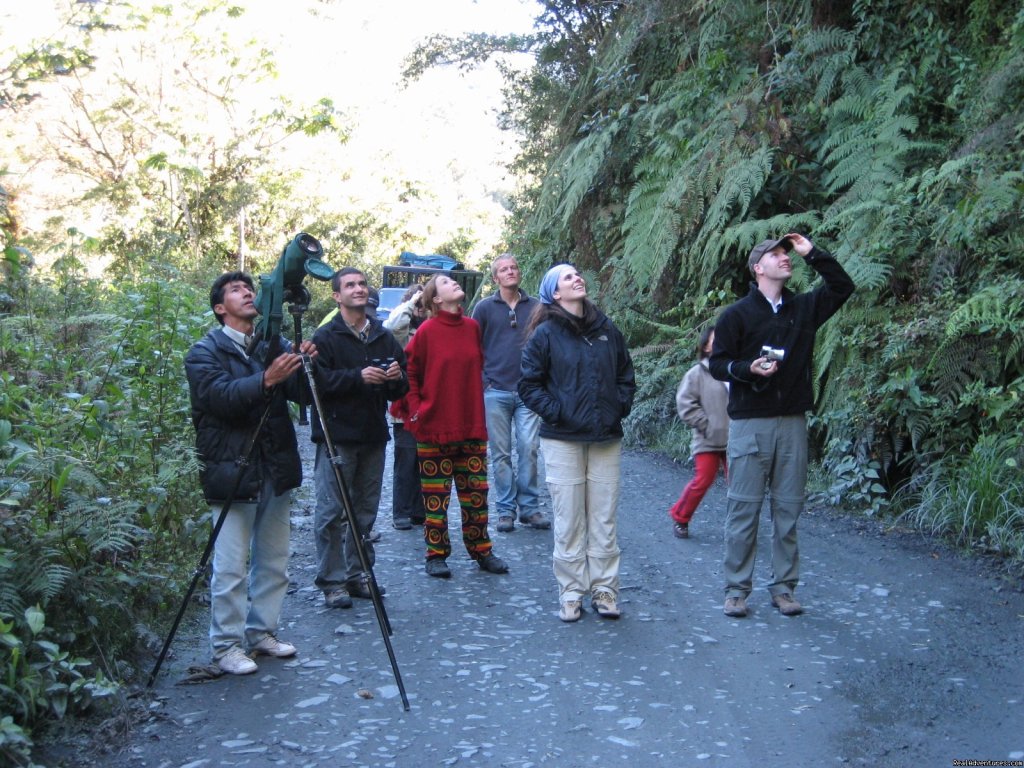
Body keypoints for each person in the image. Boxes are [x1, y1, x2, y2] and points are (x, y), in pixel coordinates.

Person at [709, 233, 854, 618]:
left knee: (788, 511)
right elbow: (717, 363)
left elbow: (842, 286)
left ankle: (784, 589)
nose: (784, 259)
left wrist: (812, 253)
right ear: (758, 268)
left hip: (792, 422)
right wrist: (748, 369)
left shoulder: (804, 309)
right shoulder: (736, 315)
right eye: (775, 256)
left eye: (786, 254)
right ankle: (736, 590)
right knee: (744, 511)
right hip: (750, 424)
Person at [184, 271, 316, 675]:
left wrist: (306, 365)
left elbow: (304, 398)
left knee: (274, 560)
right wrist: (266, 378)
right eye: (236, 290)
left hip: (273, 465)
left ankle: (262, 633)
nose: (247, 293)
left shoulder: (270, 343)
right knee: (230, 566)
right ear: (220, 308)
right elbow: (219, 398)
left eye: (249, 288)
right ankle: (226, 646)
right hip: (232, 470)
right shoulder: (203, 351)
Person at [519, 264, 636, 623]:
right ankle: (571, 593)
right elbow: (528, 385)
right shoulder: (545, 334)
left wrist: (618, 407)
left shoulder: (606, 329)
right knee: (569, 520)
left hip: (605, 438)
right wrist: (558, 413)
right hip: (563, 439)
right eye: (567, 277)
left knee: (604, 519)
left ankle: (605, 590)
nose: (577, 279)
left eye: (577, 274)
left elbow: (625, 376)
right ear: (555, 293)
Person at [309, 268, 407, 609]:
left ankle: (360, 574)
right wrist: (357, 377)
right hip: (336, 436)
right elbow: (314, 386)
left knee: (364, 512)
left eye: (363, 284)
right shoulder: (325, 338)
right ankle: (332, 581)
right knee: (331, 512)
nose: (359, 289)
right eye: (350, 285)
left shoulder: (382, 335)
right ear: (337, 296)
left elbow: (401, 386)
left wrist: (395, 377)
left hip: (372, 435)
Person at [402, 273, 509, 578]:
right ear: (436, 299)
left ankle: (482, 550)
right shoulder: (426, 331)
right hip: (434, 428)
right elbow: (409, 372)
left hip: (470, 425)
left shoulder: (472, 328)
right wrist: (416, 410)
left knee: (476, 493)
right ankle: (436, 555)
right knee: (435, 498)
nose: (454, 284)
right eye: (447, 283)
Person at [471, 254, 547, 533]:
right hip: (495, 391)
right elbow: (472, 347)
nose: (510, 271)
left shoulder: (537, 307)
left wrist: (541, 381)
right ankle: (505, 510)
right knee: (500, 454)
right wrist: (484, 382)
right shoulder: (484, 308)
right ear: (496, 278)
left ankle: (530, 508)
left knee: (529, 448)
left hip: (528, 391)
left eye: (514, 267)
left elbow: (546, 344)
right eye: (504, 269)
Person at [668, 327, 729, 539]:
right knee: (703, 479)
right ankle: (680, 517)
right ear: (706, 346)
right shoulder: (696, 374)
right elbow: (685, 404)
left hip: (737, 439)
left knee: (741, 483)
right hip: (708, 438)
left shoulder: (736, 369)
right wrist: (705, 424)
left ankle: (742, 526)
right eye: (716, 339)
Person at [384, 284, 428, 530]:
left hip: (431, 404)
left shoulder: (434, 327)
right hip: (405, 404)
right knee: (405, 459)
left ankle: (420, 510)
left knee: (426, 459)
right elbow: (391, 327)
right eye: (418, 305)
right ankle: (401, 511)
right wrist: (413, 301)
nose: (422, 309)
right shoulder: (403, 331)